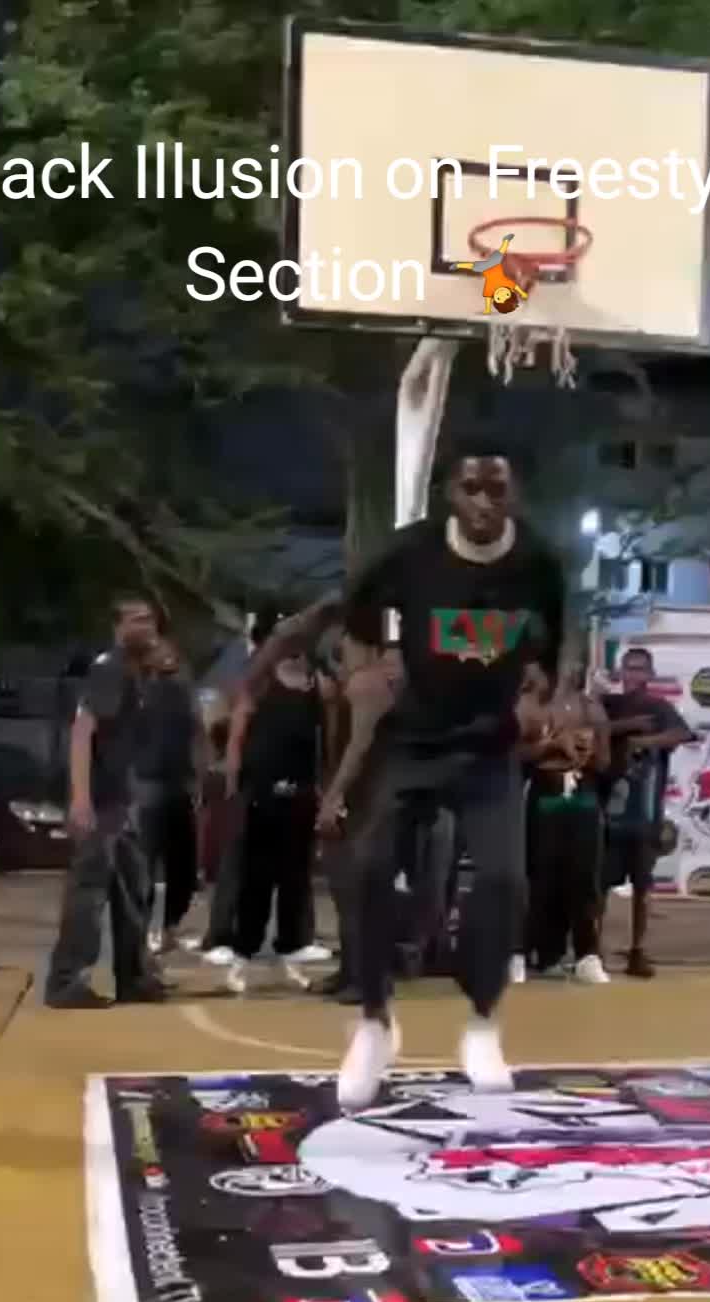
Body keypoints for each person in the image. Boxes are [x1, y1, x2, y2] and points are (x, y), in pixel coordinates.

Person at [242, 440, 564, 1105]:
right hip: (412, 741)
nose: (484, 502)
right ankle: (373, 1023)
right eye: (471, 488)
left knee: (504, 881)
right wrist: (364, 665)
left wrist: (543, 695)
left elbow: (556, 644)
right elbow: (350, 615)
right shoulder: (408, 553)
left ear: (515, 495)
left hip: (488, 747)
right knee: (366, 868)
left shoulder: (538, 562)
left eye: (497, 489)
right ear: (449, 493)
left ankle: (482, 1023)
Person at [44, 594, 165, 1009]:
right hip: (101, 799)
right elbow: (83, 731)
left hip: (122, 799)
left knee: (133, 889)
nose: (147, 626)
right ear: (118, 627)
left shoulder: (137, 672)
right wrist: (81, 799)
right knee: (89, 893)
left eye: (150, 619)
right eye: (137, 620)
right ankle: (66, 982)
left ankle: (134, 978)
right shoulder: (110, 668)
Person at [222, 620, 333, 991]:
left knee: (295, 877)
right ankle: (243, 951)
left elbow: (329, 738)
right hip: (262, 790)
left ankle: (290, 947)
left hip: (301, 791)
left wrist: (325, 787)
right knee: (257, 876)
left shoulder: (318, 683)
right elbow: (238, 731)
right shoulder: (261, 681)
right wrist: (233, 777)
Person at [598, 645, 692, 979]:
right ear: (619, 672)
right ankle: (594, 951)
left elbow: (682, 733)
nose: (633, 674)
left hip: (645, 813)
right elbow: (591, 729)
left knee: (643, 888)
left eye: (639, 668)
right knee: (599, 886)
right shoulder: (607, 705)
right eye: (629, 667)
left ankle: (638, 951)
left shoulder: (659, 707)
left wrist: (646, 742)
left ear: (650, 674)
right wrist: (628, 727)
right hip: (608, 814)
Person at [317, 636, 400, 1002]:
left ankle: (369, 978)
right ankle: (351, 969)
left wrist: (334, 794)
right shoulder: (351, 684)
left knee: (360, 888)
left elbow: (359, 745)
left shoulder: (369, 684)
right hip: (359, 796)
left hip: (371, 799)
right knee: (343, 885)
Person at [525, 690, 611, 982]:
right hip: (545, 793)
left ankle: (588, 954)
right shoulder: (533, 702)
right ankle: (548, 953)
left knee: (585, 874)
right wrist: (551, 746)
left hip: (582, 795)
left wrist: (586, 752)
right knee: (545, 874)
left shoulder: (590, 707)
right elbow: (518, 753)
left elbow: (604, 761)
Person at [137, 637, 205, 955]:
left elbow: (198, 735)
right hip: (147, 785)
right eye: (160, 652)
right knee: (146, 865)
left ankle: (169, 930)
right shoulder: (137, 691)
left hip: (179, 785)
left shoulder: (184, 693)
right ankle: (140, 933)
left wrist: (199, 779)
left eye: (172, 652)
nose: (168, 657)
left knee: (183, 866)